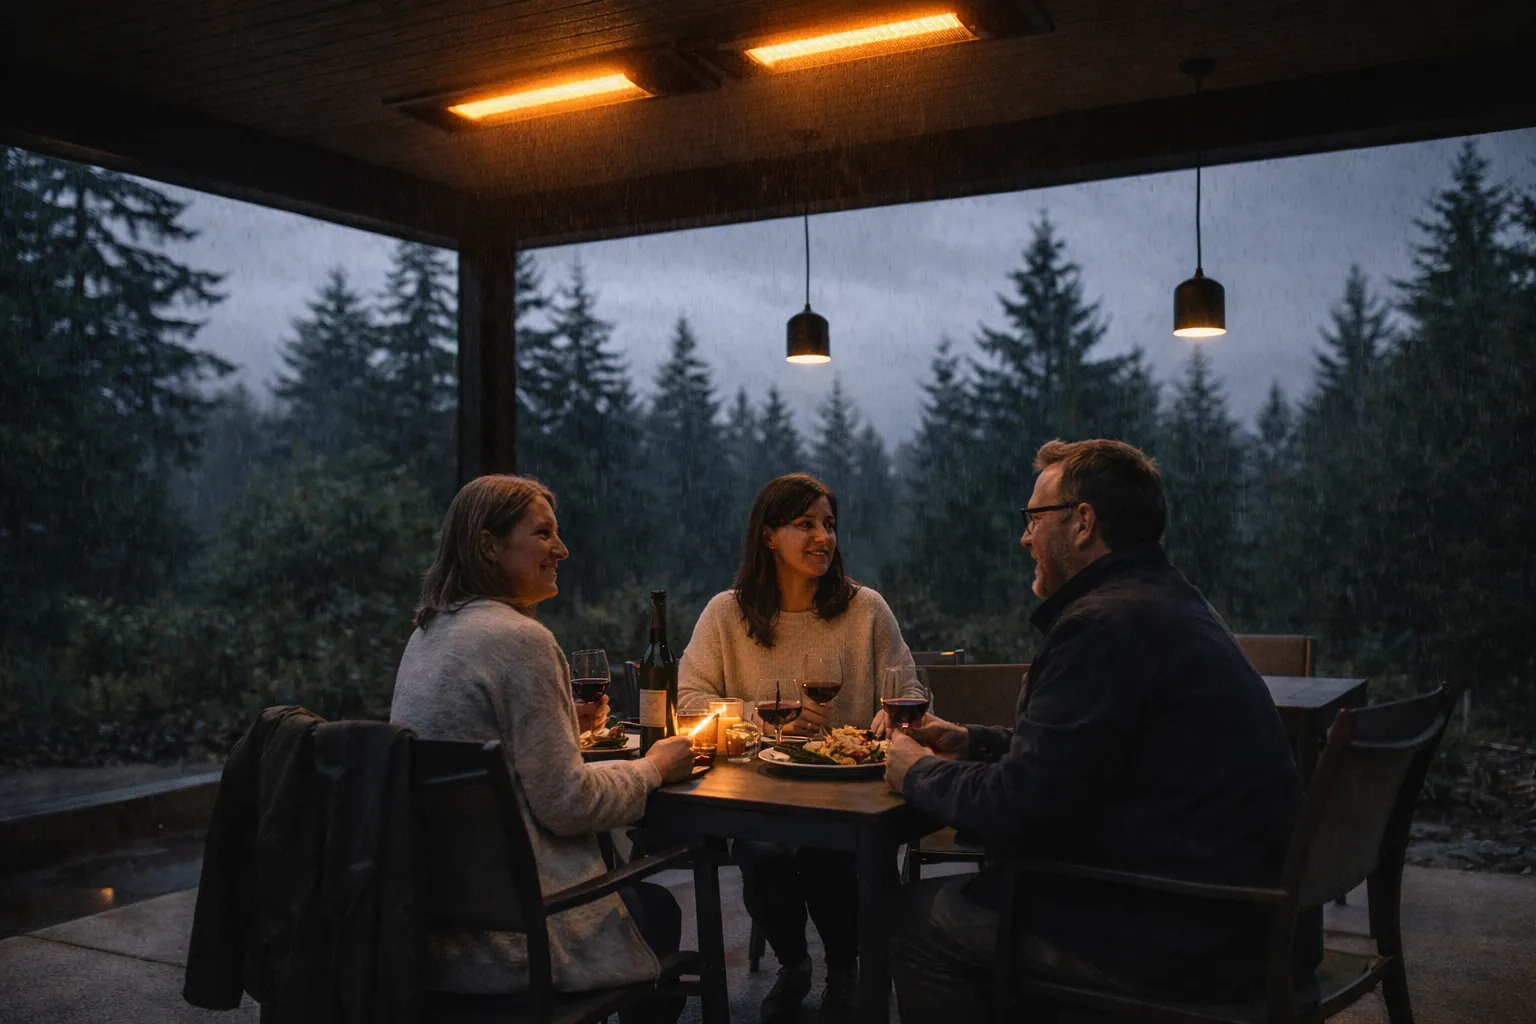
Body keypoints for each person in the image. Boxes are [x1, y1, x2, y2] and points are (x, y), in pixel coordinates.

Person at [882, 439, 1317, 1023]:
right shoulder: (1169, 603)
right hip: (1245, 920)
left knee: (917, 919)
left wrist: (916, 770)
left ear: (1082, 522)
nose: (1025, 537)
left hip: (1182, 937)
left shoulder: (1103, 626)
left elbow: (1020, 808)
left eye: (1034, 519)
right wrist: (973, 743)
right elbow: (1100, 762)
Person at [390, 475, 696, 1018]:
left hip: (435, 929)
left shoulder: (428, 634)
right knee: (660, 907)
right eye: (543, 534)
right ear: (489, 544)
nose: (563, 549)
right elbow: (568, 803)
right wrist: (653, 768)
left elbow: (482, 753)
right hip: (519, 938)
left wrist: (562, 727)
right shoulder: (521, 640)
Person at [678, 473, 915, 1022]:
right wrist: (762, 717)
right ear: (768, 536)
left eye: (828, 525)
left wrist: (891, 708)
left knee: (823, 851)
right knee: (762, 852)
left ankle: (844, 971)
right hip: (761, 790)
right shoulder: (726, 613)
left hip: (851, 793)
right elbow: (689, 698)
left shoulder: (866, 609)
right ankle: (794, 965)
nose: (822, 537)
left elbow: (911, 688)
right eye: (804, 524)